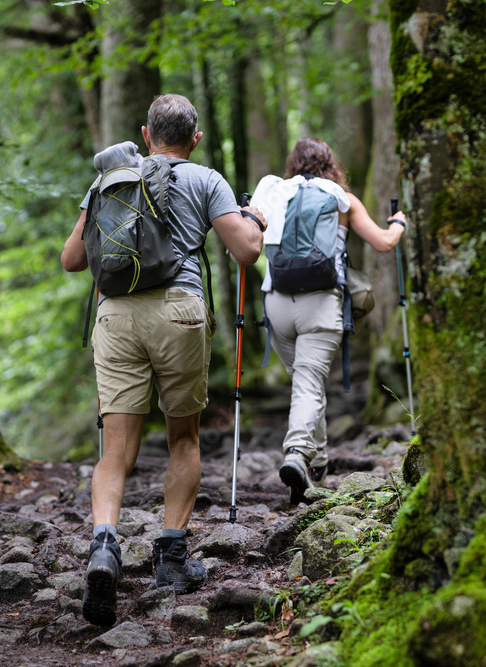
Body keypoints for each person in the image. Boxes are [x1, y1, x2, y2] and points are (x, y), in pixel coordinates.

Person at [61, 94, 265, 627]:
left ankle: (105, 547)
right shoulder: (206, 179)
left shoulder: (112, 178)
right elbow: (245, 252)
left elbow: (72, 259)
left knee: (116, 448)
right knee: (183, 437)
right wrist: (253, 220)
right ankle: (171, 559)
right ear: (194, 139)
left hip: (117, 316)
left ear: (146, 134)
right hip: (180, 312)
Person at [251, 137, 405, 505]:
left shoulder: (275, 193)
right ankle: (297, 454)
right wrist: (399, 223)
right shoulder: (342, 199)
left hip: (276, 301)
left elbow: (242, 243)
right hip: (320, 301)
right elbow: (383, 243)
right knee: (309, 383)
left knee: (306, 384)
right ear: (330, 165)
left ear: (294, 164)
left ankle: (315, 464)